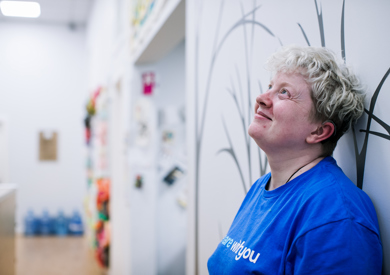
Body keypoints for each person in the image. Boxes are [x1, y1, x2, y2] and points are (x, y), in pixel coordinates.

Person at [207, 45, 383, 274]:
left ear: (319, 132)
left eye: (284, 93)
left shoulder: (336, 215)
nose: (261, 98)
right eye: (270, 86)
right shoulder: (262, 187)